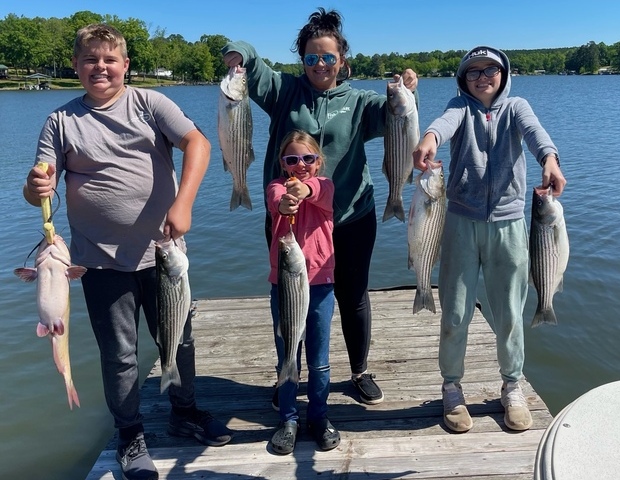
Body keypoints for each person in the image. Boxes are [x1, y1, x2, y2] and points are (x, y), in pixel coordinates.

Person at [22, 24, 231, 480]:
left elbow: (198, 142)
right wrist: (34, 184)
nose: (100, 67)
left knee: (179, 339)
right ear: (76, 67)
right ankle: (130, 433)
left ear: (125, 65)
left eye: (109, 59)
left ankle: (185, 410)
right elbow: (42, 182)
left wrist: (184, 202)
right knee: (119, 354)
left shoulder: (149, 103)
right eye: (90, 60)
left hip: (163, 255)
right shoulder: (60, 121)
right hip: (97, 261)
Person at [222, 7, 418, 406]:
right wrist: (237, 53)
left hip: (350, 217)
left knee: (353, 294)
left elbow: (396, 119)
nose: (320, 65)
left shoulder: (360, 101)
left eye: (328, 57)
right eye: (312, 58)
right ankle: (287, 378)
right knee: (289, 295)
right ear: (302, 61)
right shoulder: (284, 92)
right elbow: (252, 61)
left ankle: (359, 371)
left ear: (342, 61)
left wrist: (409, 91)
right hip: (291, 222)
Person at [412, 46, 567, 433]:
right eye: (473, 72)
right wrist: (429, 138)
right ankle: (452, 386)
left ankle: (512, 386)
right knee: (455, 313)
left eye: (490, 70)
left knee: (510, 315)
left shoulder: (517, 106)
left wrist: (549, 158)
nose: (482, 77)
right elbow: (443, 124)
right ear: (463, 80)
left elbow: (535, 133)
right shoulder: (459, 108)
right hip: (460, 222)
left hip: (511, 224)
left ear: (503, 73)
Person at [266, 130, 339, 454]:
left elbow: (319, 191)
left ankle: (319, 417)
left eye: (308, 159)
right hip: (284, 285)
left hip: (321, 284)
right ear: (282, 163)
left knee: (319, 361)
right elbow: (277, 203)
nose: (300, 164)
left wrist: (305, 189)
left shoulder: (325, 185)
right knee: (287, 354)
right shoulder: (275, 186)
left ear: (318, 161)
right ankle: (289, 418)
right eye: (292, 159)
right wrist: (286, 202)